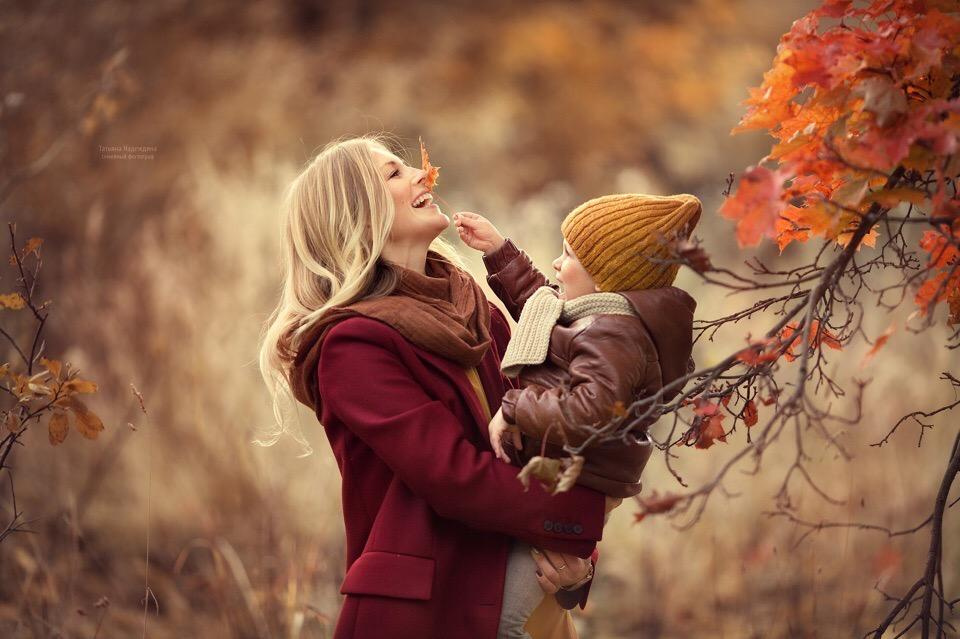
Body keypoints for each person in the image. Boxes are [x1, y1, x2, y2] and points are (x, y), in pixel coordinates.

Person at [257, 134, 619, 639]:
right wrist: (583, 516)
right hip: (438, 610)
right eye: (394, 174)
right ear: (358, 215)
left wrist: (578, 565)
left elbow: (540, 441)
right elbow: (455, 478)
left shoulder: (478, 311)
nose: (422, 177)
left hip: (526, 601)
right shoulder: (352, 346)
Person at [454, 193, 701, 639]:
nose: (555, 262)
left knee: (504, 622)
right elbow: (539, 309)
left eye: (568, 254)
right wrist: (499, 252)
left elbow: (592, 410)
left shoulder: (617, 335)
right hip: (561, 479)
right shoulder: (594, 318)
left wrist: (515, 407)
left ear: (607, 276)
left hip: (573, 488)